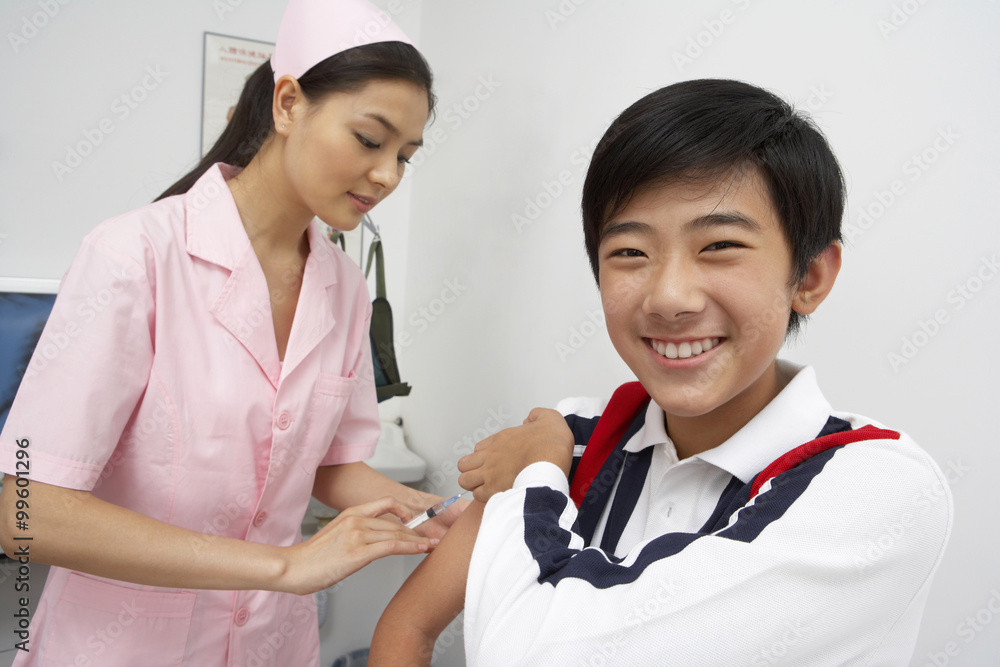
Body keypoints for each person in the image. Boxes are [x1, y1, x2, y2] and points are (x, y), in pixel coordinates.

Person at [370, 79, 953, 666]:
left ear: (810, 277)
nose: (669, 298)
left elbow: (535, 655)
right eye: (630, 253)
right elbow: (408, 628)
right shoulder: (572, 433)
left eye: (720, 245)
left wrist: (540, 474)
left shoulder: (876, 491)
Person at [0, 1, 458, 664]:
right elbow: (23, 507)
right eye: (369, 139)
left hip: (270, 642)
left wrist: (430, 510)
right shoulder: (134, 256)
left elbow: (331, 465)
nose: (387, 175)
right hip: (123, 643)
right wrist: (283, 566)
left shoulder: (344, 286)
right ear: (288, 103)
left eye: (405, 156)